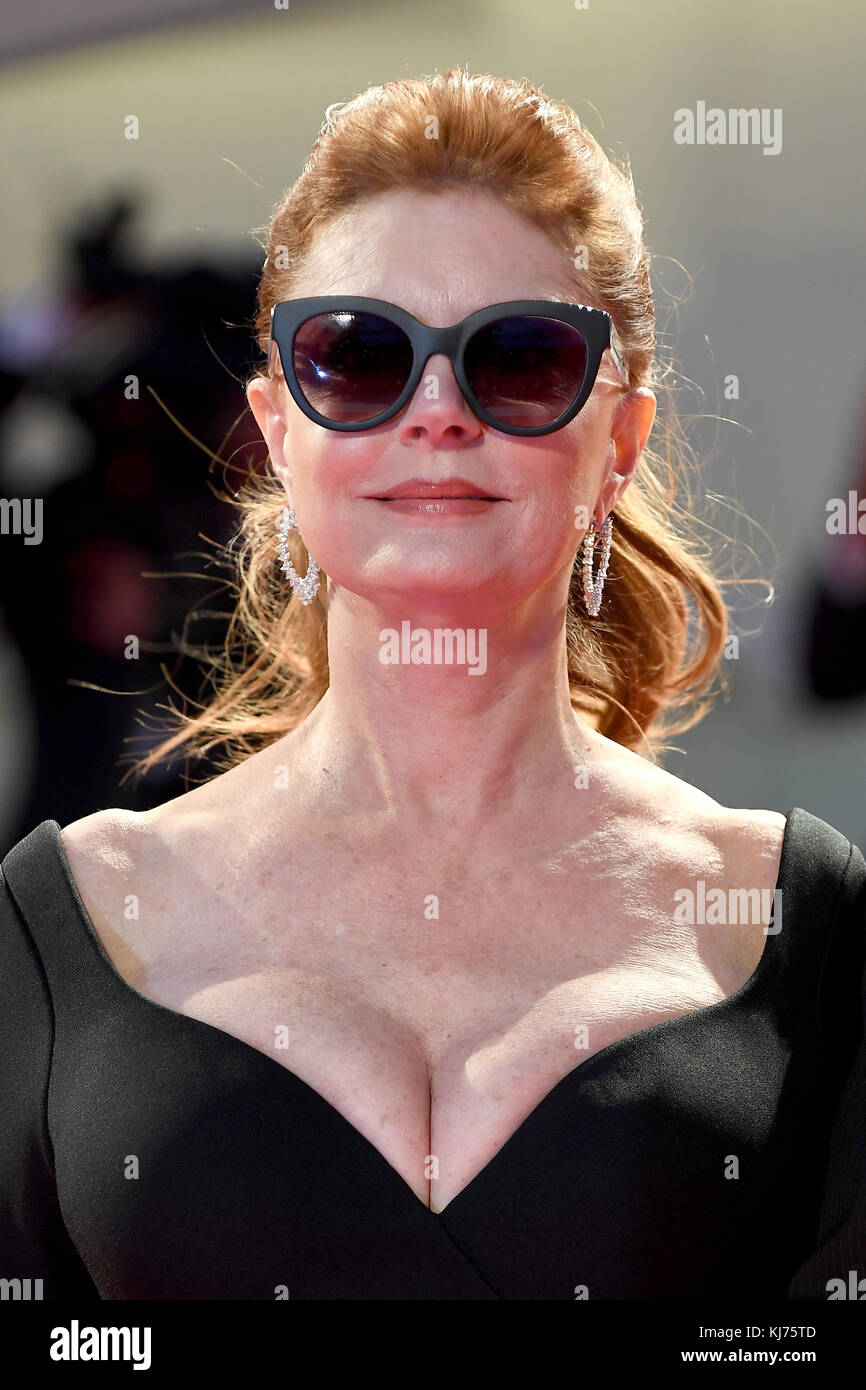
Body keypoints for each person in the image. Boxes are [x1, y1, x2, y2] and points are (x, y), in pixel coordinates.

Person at [1, 67, 863, 1302]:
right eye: (358, 356)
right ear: (279, 432)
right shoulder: (62, 927)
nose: (439, 410)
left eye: (518, 357)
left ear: (616, 442)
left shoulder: (803, 928)